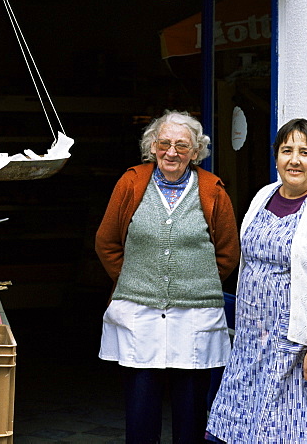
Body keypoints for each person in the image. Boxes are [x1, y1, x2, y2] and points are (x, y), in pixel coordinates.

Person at [205, 118, 307, 444]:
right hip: (251, 341)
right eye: (286, 150)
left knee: (287, 430)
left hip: (298, 345)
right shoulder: (264, 195)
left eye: (305, 152)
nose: (294, 159)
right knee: (237, 424)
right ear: (276, 157)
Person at [95, 110, 240, 444]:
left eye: (181, 145)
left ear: (195, 151)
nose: (171, 152)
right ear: (152, 146)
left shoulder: (212, 190)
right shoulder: (131, 182)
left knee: (190, 411)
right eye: (164, 143)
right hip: (140, 314)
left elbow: (228, 253)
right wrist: (134, 278)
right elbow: (107, 241)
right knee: (141, 409)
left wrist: (191, 282)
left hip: (194, 317)